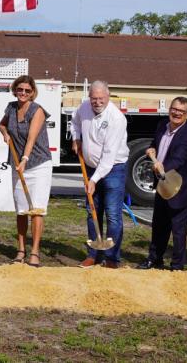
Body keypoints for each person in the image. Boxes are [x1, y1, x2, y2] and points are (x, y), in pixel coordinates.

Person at [71, 80, 129, 268]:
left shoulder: (117, 118)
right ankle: (93, 254)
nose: (97, 102)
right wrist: (76, 137)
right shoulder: (84, 107)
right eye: (94, 98)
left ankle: (112, 258)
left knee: (112, 214)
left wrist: (94, 179)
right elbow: (75, 121)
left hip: (114, 169)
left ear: (108, 96)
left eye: (101, 98)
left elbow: (109, 156)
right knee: (92, 212)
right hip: (89, 167)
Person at [0, 74, 51, 268]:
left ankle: (35, 252)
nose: (23, 93)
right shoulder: (11, 108)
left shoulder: (37, 111)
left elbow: (31, 138)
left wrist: (25, 159)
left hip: (37, 164)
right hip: (17, 163)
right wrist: (5, 135)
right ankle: (20, 250)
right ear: (14, 90)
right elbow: (1, 125)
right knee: (21, 209)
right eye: (20, 89)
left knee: (36, 208)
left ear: (33, 93)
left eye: (27, 91)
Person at [140, 96, 187, 271]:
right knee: (159, 225)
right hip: (162, 186)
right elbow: (155, 146)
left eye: (181, 111)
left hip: (179, 188)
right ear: (169, 109)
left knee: (178, 230)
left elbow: (179, 159)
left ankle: (177, 265)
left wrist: (163, 166)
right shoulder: (161, 126)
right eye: (174, 109)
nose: (176, 113)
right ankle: (155, 259)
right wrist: (151, 150)